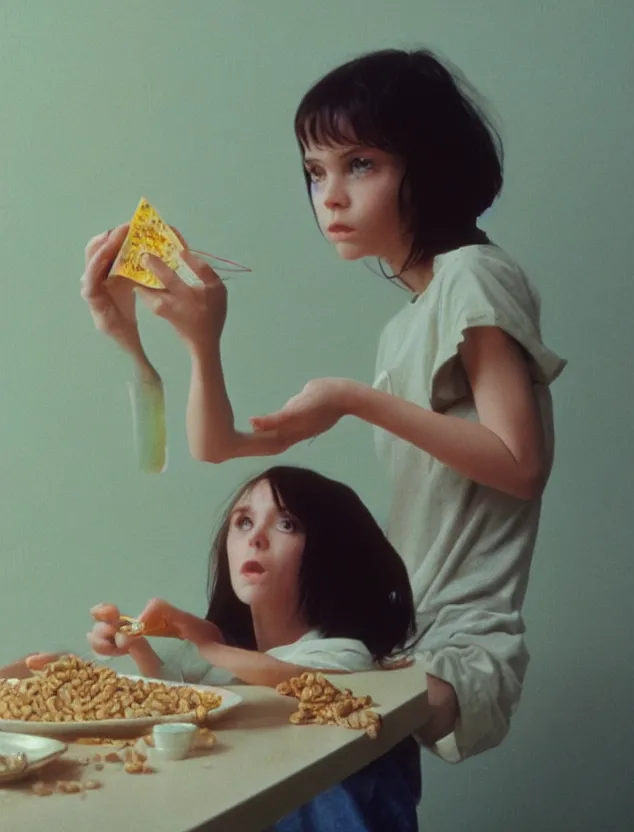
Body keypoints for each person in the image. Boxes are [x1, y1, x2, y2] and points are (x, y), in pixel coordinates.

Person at [81, 47, 567, 762]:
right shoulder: (407, 322)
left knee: (277, 714)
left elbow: (521, 466)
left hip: (460, 650)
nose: (329, 195)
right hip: (397, 642)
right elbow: (220, 448)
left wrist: (350, 399)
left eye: (359, 164)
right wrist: (190, 343)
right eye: (315, 172)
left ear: (427, 166)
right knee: (241, 735)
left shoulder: (474, 276)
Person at [2, 465, 421, 831]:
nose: (255, 537)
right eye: (242, 521)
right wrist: (140, 650)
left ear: (333, 552)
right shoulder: (224, 663)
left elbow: (300, 683)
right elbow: (182, 709)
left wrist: (205, 643)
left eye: (287, 523)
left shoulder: (341, 652)